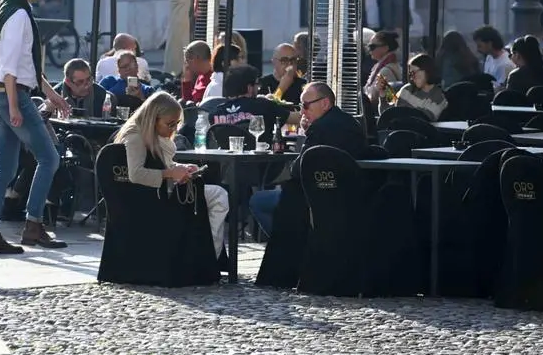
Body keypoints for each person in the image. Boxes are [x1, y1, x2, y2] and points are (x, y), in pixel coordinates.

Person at [0, 0, 72, 254]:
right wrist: (15, 107)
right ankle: (33, 224)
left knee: (6, 168)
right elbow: (10, 67)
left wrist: (52, 95)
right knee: (49, 158)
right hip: (11, 95)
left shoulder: (10, 8)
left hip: (2, 94)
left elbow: (24, 66)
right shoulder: (19, 15)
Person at [114, 91, 229, 258]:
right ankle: (210, 256)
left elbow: (158, 164)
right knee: (219, 196)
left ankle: (207, 252)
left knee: (212, 194)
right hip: (151, 197)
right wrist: (171, 173)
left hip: (159, 191)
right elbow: (136, 174)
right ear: (153, 120)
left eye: (177, 124)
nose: (174, 129)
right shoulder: (136, 136)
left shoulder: (148, 133)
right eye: (170, 124)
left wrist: (180, 168)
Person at [248, 82, 366, 236]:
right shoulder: (352, 123)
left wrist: (306, 134)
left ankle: (290, 247)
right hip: (351, 197)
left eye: (306, 105)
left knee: (258, 200)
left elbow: (297, 171)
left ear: (324, 103)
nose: (302, 111)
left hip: (317, 198)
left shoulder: (319, 128)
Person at [383, 54, 448, 121]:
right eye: (410, 74)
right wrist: (383, 94)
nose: (412, 77)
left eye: (414, 72)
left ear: (427, 70)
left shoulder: (439, 98)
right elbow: (388, 113)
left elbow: (423, 119)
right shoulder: (406, 90)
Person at [363, 31, 401, 106]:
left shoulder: (386, 71)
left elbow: (391, 100)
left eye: (372, 47)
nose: (369, 50)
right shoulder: (383, 66)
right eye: (368, 47)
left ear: (385, 48)